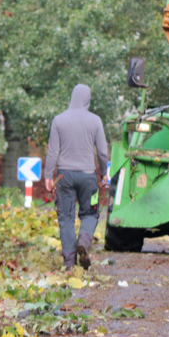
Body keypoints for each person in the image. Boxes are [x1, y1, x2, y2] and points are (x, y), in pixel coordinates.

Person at [45, 84, 109, 271]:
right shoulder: (95, 121)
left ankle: (69, 263)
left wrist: (48, 176)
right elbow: (103, 152)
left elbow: (52, 153)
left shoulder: (59, 120)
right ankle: (84, 241)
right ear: (88, 100)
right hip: (88, 177)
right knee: (91, 212)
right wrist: (104, 173)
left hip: (64, 176)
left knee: (65, 217)